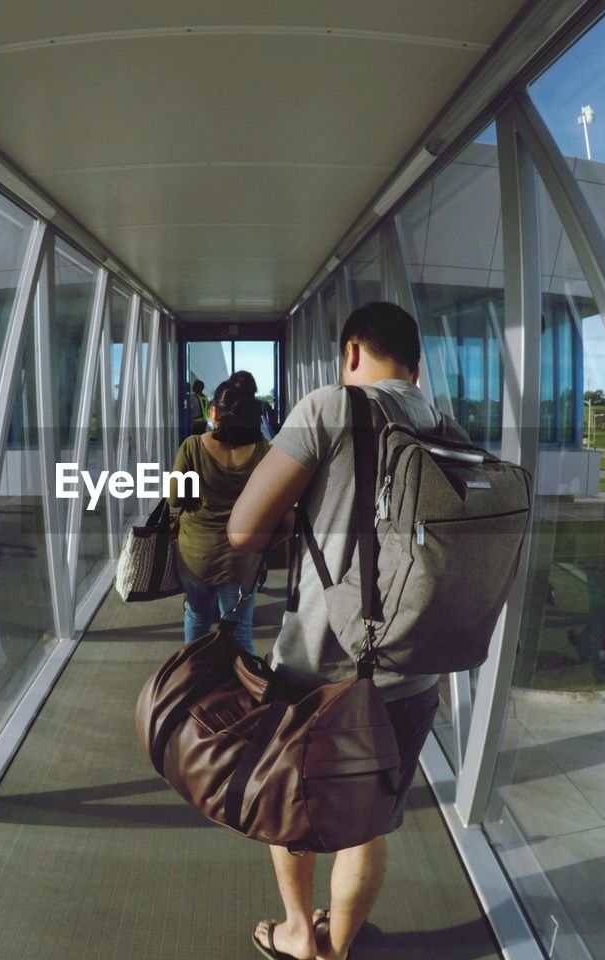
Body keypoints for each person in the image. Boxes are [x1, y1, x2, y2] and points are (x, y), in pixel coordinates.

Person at [229, 301, 442, 960]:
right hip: (413, 670)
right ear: (416, 365)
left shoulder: (328, 409)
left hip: (320, 666)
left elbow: (244, 526)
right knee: (366, 826)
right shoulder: (441, 423)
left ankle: (298, 934)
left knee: (288, 809)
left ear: (351, 354)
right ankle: (338, 948)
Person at [167, 374, 270, 651]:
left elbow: (174, 498)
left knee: (198, 617)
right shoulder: (263, 451)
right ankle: (244, 688)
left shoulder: (193, 447)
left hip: (197, 555)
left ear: (215, 412)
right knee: (240, 630)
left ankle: (193, 681)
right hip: (243, 556)